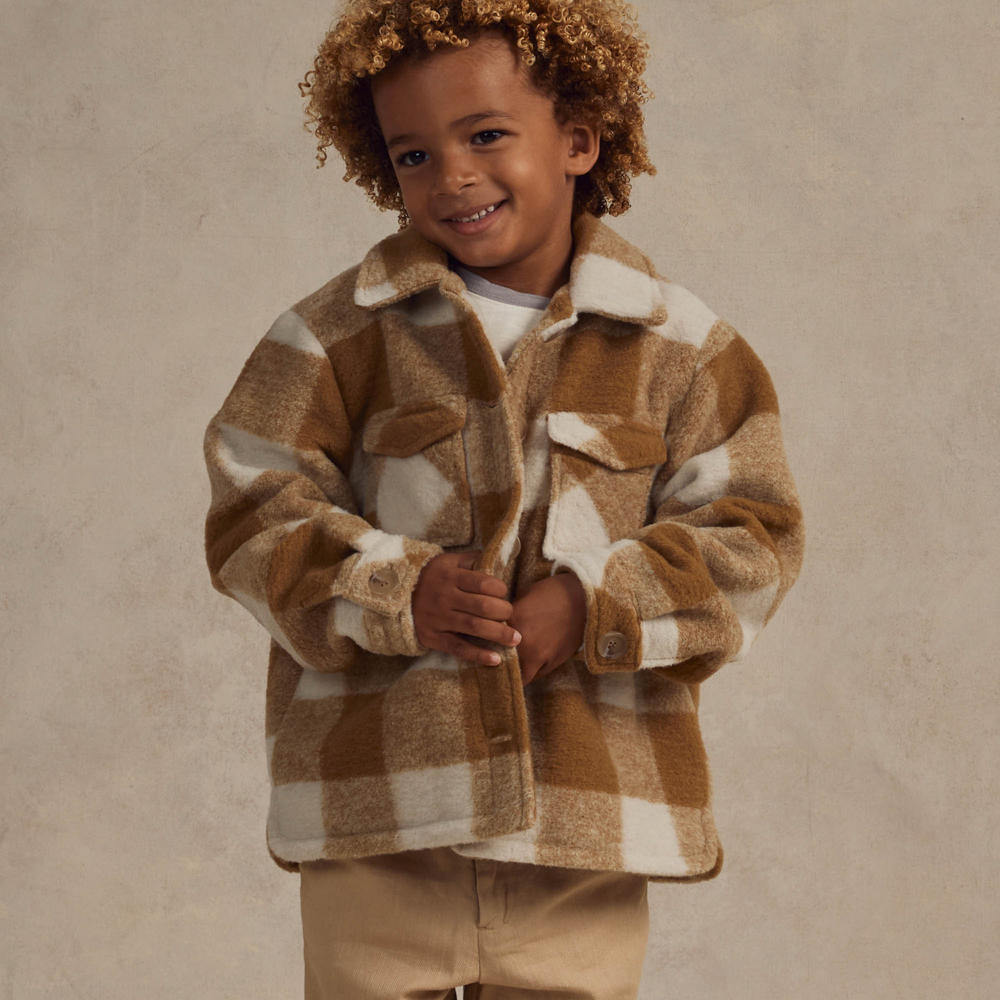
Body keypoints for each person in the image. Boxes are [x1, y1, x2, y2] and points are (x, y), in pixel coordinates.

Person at [201, 1, 806, 997]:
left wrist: (594, 603)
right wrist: (397, 590)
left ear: (579, 140)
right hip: (378, 818)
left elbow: (756, 536)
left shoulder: (684, 351)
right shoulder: (331, 340)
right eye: (413, 155)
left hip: (585, 824)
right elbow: (252, 508)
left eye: (485, 135)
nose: (452, 176)